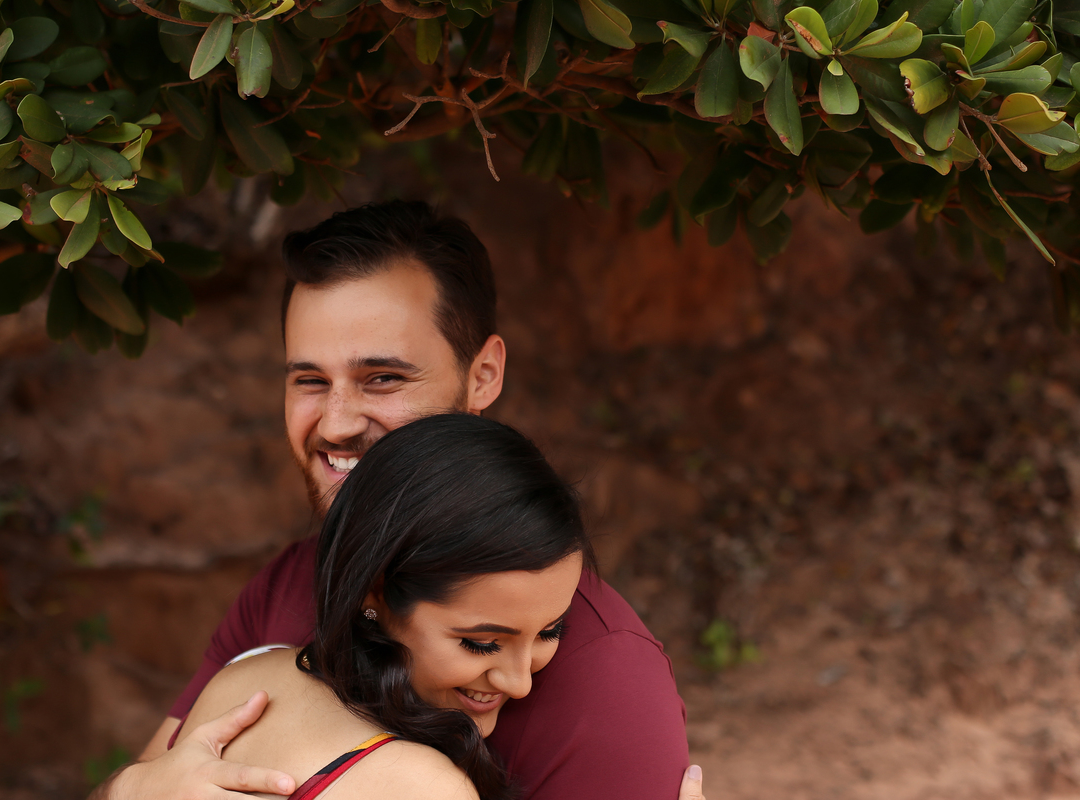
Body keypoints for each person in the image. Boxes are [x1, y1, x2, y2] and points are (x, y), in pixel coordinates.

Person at [94, 201, 706, 800]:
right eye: (310, 381)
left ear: (482, 376)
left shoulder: (607, 680)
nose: (336, 423)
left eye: (383, 378)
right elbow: (160, 773)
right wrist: (130, 787)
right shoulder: (286, 586)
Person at [174, 413, 592, 800]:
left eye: (550, 631)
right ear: (374, 595)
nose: (520, 684)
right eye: (481, 643)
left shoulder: (241, 677)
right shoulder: (423, 788)